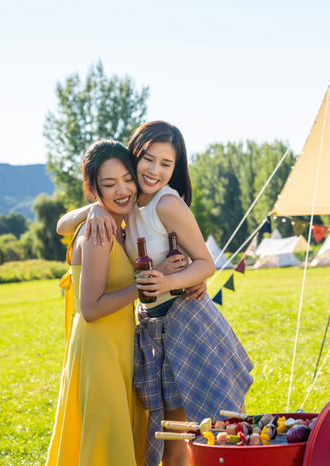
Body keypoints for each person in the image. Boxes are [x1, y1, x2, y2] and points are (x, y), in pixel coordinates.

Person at [58, 121, 253, 466]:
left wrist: (168, 282)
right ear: (134, 156)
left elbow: (205, 263)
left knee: (200, 429)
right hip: (151, 329)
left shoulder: (166, 204)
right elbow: (62, 225)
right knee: (164, 434)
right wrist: (94, 208)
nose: (155, 170)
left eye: (167, 164)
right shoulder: (125, 207)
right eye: (148, 159)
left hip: (183, 322)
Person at [47, 140, 159, 465]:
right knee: (106, 443)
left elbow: (61, 225)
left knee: (116, 437)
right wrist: (143, 285)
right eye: (109, 184)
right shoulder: (98, 232)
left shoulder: (120, 224)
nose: (122, 189)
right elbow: (91, 308)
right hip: (99, 351)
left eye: (127, 179)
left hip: (119, 346)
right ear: (92, 188)